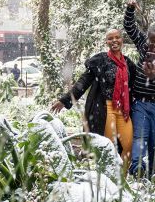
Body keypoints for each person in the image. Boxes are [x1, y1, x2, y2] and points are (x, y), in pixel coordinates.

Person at [50, 29, 136, 168]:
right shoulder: (99, 61)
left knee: (129, 145)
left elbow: (134, 87)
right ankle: (108, 179)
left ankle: (121, 179)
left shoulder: (128, 64)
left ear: (122, 40)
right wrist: (65, 100)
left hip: (123, 110)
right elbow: (82, 82)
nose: (114, 41)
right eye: (110, 38)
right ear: (106, 42)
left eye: (117, 37)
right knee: (109, 147)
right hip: (105, 109)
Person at [123, 0, 155, 178]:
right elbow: (129, 26)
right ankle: (137, 171)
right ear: (148, 40)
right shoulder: (143, 47)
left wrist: (152, 75)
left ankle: (153, 176)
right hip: (141, 105)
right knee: (139, 139)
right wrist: (130, 8)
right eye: (153, 40)